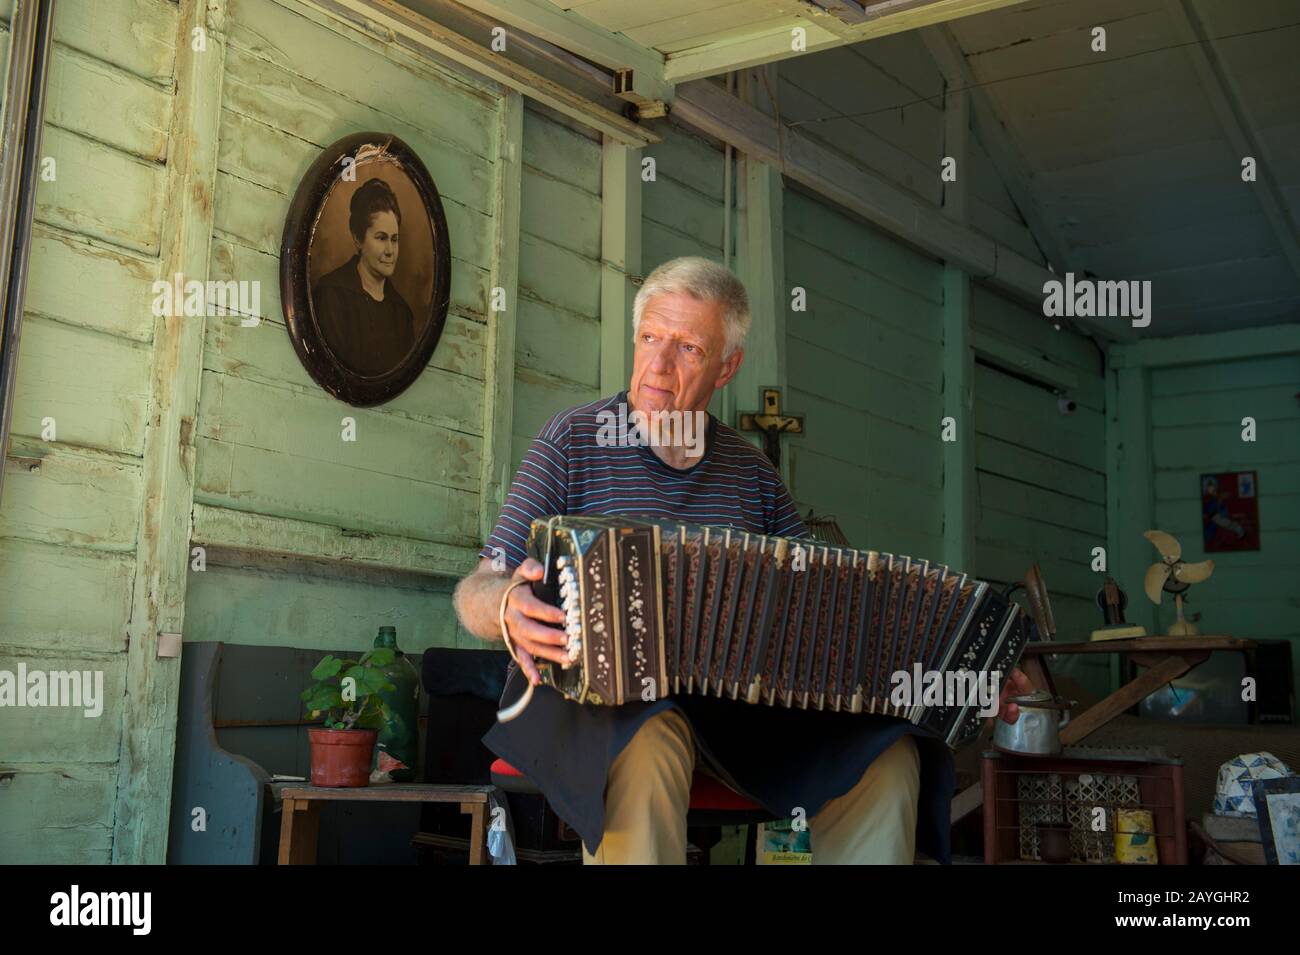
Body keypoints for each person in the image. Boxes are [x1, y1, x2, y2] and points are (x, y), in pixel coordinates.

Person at [453, 256, 1030, 864]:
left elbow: (830, 605)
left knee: (886, 756)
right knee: (647, 738)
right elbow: (478, 588)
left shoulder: (752, 473)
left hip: (737, 718)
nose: (657, 366)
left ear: (727, 367)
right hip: (596, 704)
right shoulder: (571, 441)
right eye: (649, 337)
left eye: (688, 349)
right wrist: (508, 603)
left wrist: (965, 669)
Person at [311, 177, 416, 377]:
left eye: (395, 240)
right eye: (381, 238)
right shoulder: (331, 295)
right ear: (358, 239)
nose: (390, 251)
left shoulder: (402, 313)